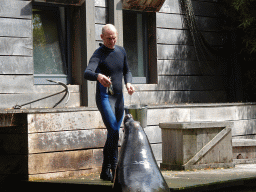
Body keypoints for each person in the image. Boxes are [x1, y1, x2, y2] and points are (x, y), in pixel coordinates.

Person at [84, 24, 135, 181]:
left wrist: (128, 83)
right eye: (108, 38)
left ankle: (105, 172)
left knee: (113, 133)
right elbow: (87, 72)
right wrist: (98, 76)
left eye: (114, 37)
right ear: (102, 38)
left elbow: (127, 71)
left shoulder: (121, 51)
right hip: (105, 97)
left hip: (119, 99)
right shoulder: (98, 54)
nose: (112, 41)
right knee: (114, 131)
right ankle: (115, 169)